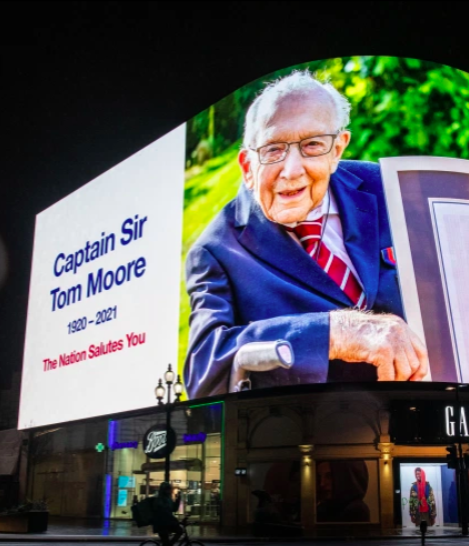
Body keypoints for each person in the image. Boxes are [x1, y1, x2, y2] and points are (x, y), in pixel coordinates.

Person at [184, 71, 429, 399]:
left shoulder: (389, 187)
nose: (291, 170)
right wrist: (335, 333)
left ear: (337, 150)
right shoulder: (216, 250)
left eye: (313, 145)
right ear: (246, 166)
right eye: (273, 150)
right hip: (319, 433)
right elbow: (204, 373)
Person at [151, 482, 183, 546]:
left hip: (166, 523)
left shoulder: (168, 499)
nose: (169, 491)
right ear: (164, 490)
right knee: (165, 541)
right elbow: (165, 514)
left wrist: (178, 499)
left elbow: (173, 509)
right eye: (168, 489)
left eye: (170, 489)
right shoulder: (159, 500)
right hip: (160, 524)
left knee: (179, 531)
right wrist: (175, 520)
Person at [409, 467, 436, 535]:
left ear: (422, 474)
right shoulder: (414, 487)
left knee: (428, 531)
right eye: (416, 474)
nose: (417, 475)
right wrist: (412, 514)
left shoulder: (428, 486)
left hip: (427, 512)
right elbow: (411, 501)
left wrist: (433, 515)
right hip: (418, 512)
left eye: (419, 473)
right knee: (418, 531)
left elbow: (432, 501)